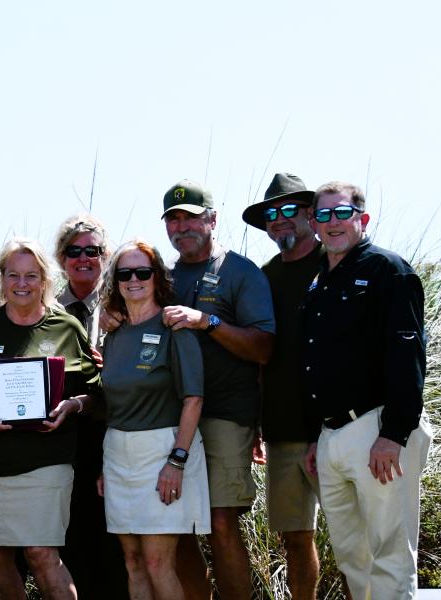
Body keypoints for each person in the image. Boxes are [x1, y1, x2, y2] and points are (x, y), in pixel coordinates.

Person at [0, 238, 100, 600]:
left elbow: (96, 393)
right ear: (1, 278)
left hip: (44, 463)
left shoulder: (66, 327)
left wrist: (71, 406)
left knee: (41, 553)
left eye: (31, 275)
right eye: (13, 274)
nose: (22, 283)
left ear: (45, 280)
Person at [302, 181, 431, 599]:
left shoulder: (388, 270)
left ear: (363, 218)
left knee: (390, 552)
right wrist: (315, 439)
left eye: (342, 213)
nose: (333, 223)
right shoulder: (320, 279)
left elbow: (407, 355)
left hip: (377, 429)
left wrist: (394, 434)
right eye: (323, 215)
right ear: (313, 223)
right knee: (351, 555)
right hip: (331, 436)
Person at [158, 179, 275, 597]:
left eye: (190, 217)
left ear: (212, 219)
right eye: (173, 219)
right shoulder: (162, 277)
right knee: (179, 523)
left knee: (222, 521)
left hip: (227, 414)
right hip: (171, 417)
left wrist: (207, 322)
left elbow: (263, 348)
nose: (182, 227)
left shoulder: (240, 272)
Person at [97, 240, 210, 600]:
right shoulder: (112, 334)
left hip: (163, 452)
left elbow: (193, 399)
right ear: (115, 281)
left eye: (142, 272)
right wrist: (105, 465)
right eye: (124, 273)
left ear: (156, 277)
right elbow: (112, 403)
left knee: (159, 562)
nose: (134, 280)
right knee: (132, 561)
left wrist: (177, 461)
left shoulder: (174, 326)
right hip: (117, 454)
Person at [241, 173, 323, 599]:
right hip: (282, 429)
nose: (280, 220)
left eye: (289, 209)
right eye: (271, 214)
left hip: (338, 430)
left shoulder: (340, 264)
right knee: (295, 538)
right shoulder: (262, 278)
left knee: (353, 538)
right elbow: (258, 352)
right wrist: (256, 421)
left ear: (310, 213)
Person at [50, 213, 129, 600]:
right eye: (74, 251)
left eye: (93, 251)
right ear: (61, 258)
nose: (84, 258)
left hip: (114, 433)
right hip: (61, 437)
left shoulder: (126, 299)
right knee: (70, 536)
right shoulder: (45, 308)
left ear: (106, 254)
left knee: (114, 541)